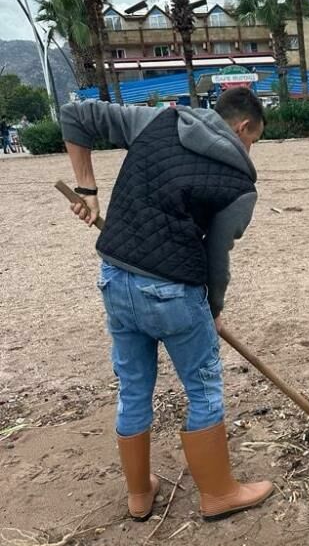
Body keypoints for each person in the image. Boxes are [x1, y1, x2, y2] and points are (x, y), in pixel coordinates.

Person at [60, 88, 274, 522]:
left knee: (134, 386)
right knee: (203, 387)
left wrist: (87, 188)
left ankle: (139, 494)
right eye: (254, 140)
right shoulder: (240, 183)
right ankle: (218, 494)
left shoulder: (160, 120)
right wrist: (212, 308)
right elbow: (217, 256)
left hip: (116, 278)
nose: (251, 150)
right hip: (174, 292)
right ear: (243, 127)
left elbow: (74, 116)